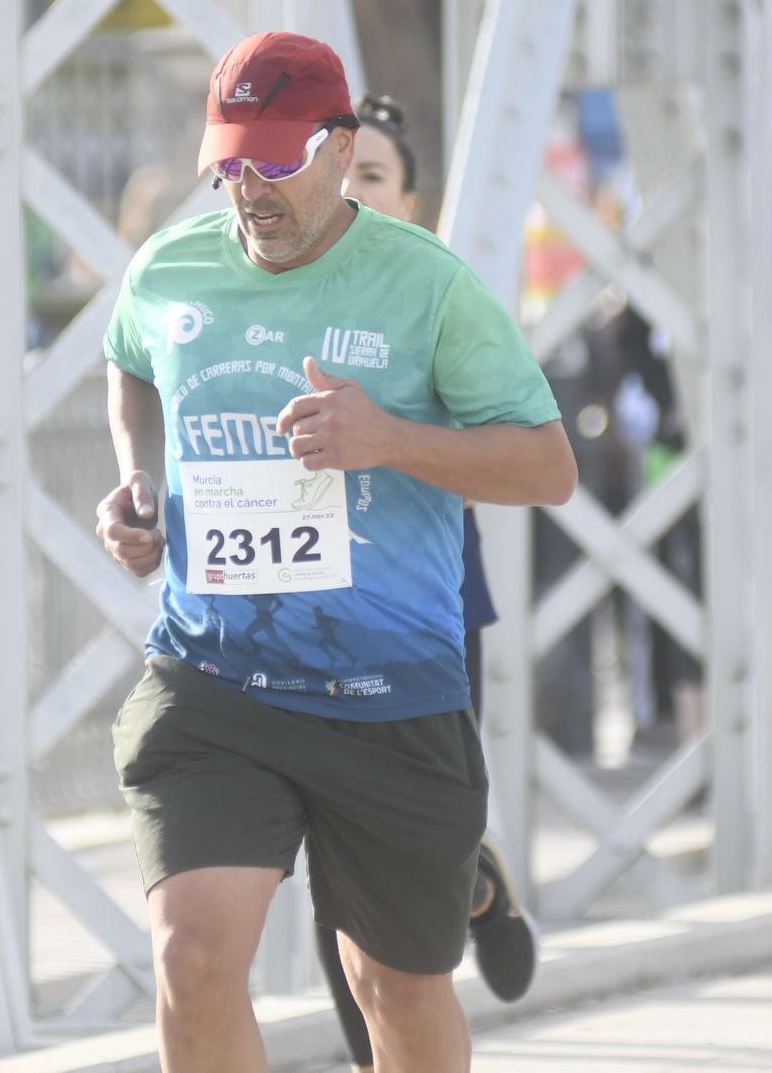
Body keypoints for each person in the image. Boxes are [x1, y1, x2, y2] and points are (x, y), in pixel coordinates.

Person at [96, 32, 576, 1073]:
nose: (247, 189)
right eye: (228, 162)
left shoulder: (427, 286)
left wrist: (389, 439)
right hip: (215, 679)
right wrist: (142, 481)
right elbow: (131, 364)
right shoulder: (169, 266)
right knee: (191, 953)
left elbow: (547, 467)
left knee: (391, 987)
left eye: (272, 162)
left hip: (386, 692)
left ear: (336, 146)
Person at [319, 93, 537, 1071]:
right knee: (338, 877)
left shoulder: (441, 300)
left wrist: (394, 438)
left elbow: (526, 450)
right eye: (338, 173)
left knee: (404, 876)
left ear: (413, 201)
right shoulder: (267, 293)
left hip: (428, 611)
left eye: (373, 176)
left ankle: (469, 876)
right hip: (298, 620)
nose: (351, 191)